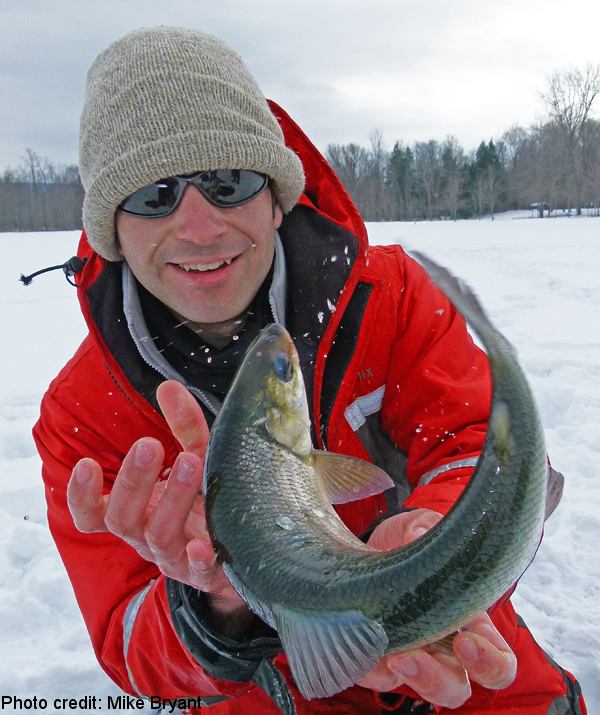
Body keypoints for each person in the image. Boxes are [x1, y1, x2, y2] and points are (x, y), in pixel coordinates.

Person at [33, 26, 586, 715]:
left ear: (276, 194)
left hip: (447, 626)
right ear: (112, 225)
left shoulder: (396, 297)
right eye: (154, 196)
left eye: (228, 182)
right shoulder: (81, 411)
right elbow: (127, 637)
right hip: (264, 681)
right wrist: (214, 604)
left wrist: (426, 529)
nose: (200, 227)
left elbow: (478, 446)